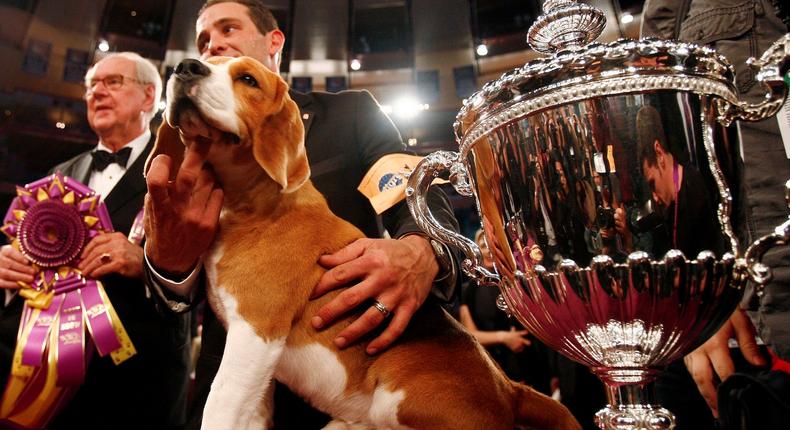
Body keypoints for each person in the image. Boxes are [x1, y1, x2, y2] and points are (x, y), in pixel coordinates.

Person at [142, 0, 460, 428]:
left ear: (274, 41)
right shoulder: (189, 144)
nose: (213, 44)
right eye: (203, 40)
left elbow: (411, 188)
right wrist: (169, 266)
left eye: (228, 29)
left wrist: (422, 250)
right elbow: (172, 283)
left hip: (357, 386)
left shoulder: (351, 113)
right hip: (231, 390)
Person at [0, 52, 190, 428]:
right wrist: (9, 261)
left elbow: (210, 267)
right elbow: (30, 252)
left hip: (139, 379)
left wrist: (146, 265)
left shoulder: (181, 168)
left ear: (149, 97)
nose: (96, 93)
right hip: (51, 378)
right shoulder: (60, 173)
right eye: (90, 86)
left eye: (113, 82)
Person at [642, 1, 790, 428]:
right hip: (760, 321)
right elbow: (699, 157)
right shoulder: (675, 12)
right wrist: (711, 297)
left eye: (651, 181)